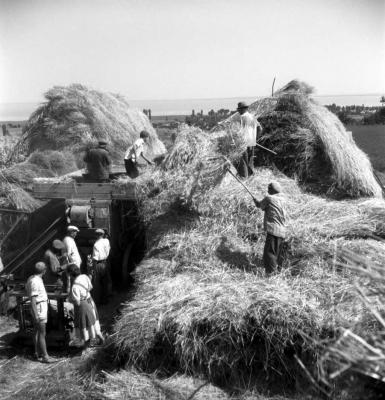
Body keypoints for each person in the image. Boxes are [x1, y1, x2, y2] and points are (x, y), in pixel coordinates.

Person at [253, 181, 287, 275]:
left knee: (269, 253)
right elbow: (268, 208)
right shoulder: (282, 200)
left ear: (271, 190)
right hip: (282, 230)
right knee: (277, 253)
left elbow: (260, 205)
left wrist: (256, 201)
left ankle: (271, 274)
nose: (267, 190)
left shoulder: (269, 198)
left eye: (269, 188)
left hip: (273, 229)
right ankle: (278, 273)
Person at [67, 264, 104, 347]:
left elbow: (77, 303)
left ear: (70, 274)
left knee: (85, 325)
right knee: (93, 322)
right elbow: (90, 287)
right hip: (90, 301)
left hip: (83, 306)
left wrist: (70, 300)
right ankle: (102, 340)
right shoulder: (84, 276)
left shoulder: (74, 287)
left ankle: (86, 346)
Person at [25, 262, 54, 363]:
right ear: (44, 271)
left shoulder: (32, 278)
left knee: (37, 331)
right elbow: (33, 299)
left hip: (38, 307)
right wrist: (36, 314)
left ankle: (36, 352)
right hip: (39, 308)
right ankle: (45, 356)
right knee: (42, 333)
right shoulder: (35, 281)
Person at [235, 101, 262, 178]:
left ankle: (245, 178)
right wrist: (255, 139)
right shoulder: (253, 117)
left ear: (243, 109)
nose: (239, 111)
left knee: (243, 163)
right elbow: (260, 128)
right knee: (250, 163)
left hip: (244, 144)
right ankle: (251, 178)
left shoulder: (242, 118)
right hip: (252, 143)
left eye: (239, 109)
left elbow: (238, 132)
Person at [91, 229, 111, 305]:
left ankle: (98, 301)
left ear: (96, 235)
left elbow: (95, 258)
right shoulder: (106, 241)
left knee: (97, 284)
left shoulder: (96, 244)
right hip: (105, 262)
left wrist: (93, 268)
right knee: (105, 282)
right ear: (102, 235)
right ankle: (105, 300)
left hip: (98, 264)